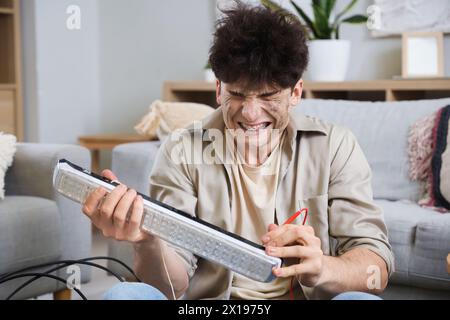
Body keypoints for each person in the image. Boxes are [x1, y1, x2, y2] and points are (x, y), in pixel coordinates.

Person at [83, 2, 393, 300]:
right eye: (237, 95)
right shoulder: (181, 149)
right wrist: (147, 240)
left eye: (268, 96)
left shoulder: (335, 146)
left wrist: (321, 268)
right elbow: (170, 289)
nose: (251, 113)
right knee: (124, 294)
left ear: (295, 92)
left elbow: (376, 270)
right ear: (218, 89)